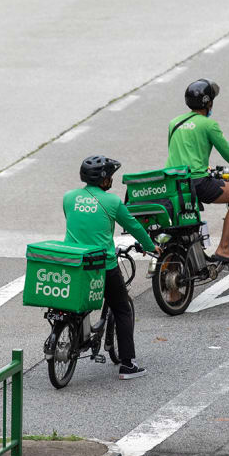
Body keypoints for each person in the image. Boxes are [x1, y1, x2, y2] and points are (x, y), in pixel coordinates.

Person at [63, 155, 160, 380]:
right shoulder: (113, 202)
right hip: (101, 265)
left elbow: (76, 223)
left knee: (77, 303)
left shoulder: (69, 198)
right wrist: (150, 247)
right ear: (104, 179)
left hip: (74, 262)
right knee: (123, 308)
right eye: (111, 176)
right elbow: (134, 226)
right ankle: (128, 364)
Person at [166, 79, 229, 263]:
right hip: (197, 182)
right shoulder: (208, 125)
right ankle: (224, 248)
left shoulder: (174, 123)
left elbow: (179, 153)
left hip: (174, 184)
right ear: (208, 103)